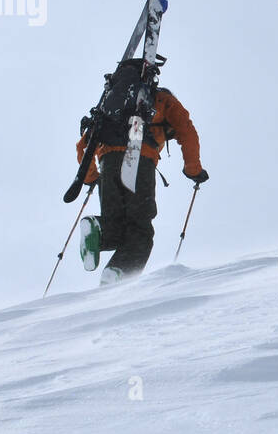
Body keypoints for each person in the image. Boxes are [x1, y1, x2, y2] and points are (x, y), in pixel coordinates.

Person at [75, 71, 208, 284]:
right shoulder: (164, 100)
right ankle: (118, 273)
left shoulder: (111, 104)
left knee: (116, 226)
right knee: (141, 232)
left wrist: (92, 178)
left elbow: (83, 144)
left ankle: (98, 229)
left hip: (107, 162)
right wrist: (193, 169)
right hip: (138, 158)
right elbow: (187, 131)